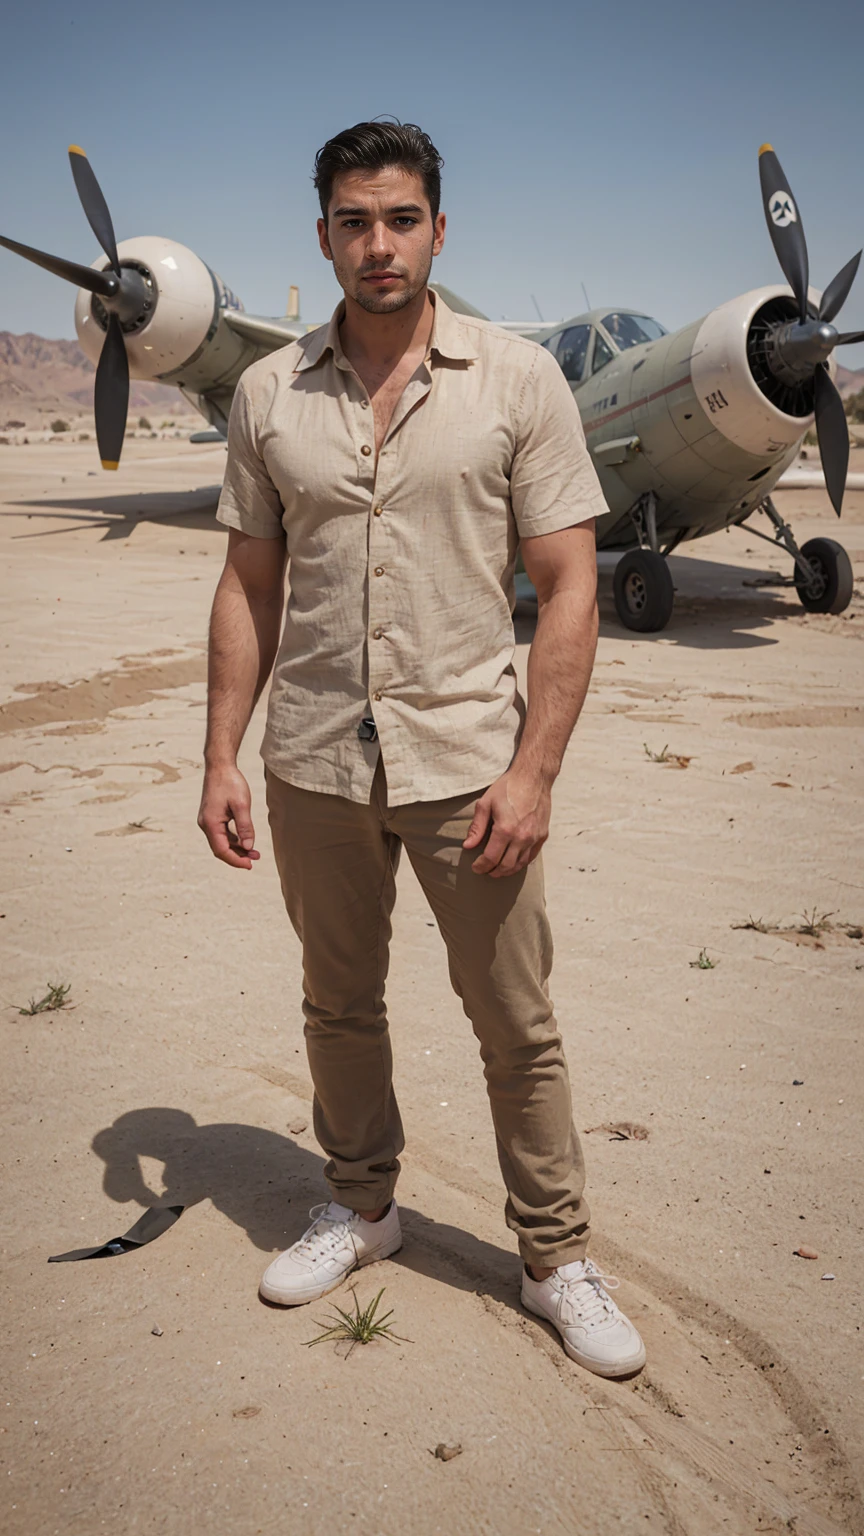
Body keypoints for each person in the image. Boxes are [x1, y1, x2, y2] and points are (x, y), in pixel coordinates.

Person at [198, 120, 645, 1379]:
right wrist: (222, 754)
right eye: (353, 220)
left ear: (439, 230)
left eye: (400, 219)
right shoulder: (267, 393)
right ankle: (364, 1205)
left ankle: (557, 1260)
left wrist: (536, 773)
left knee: (516, 1020)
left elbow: (569, 590)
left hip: (469, 767)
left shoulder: (516, 380)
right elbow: (247, 587)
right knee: (338, 1003)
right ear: (324, 235)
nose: (377, 243)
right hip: (313, 763)